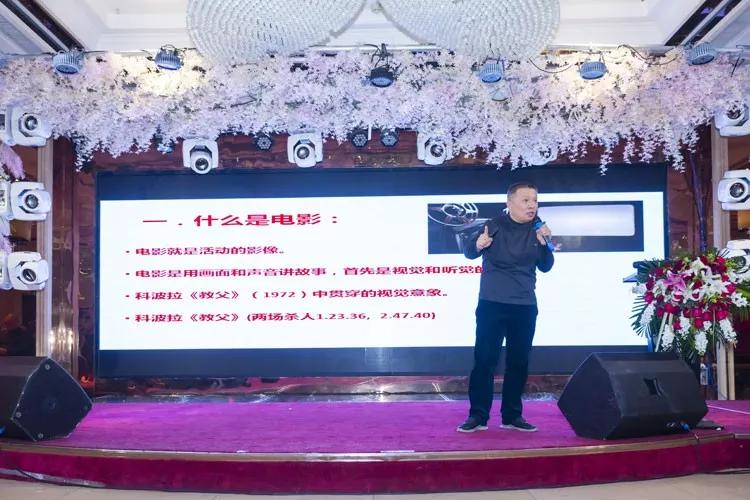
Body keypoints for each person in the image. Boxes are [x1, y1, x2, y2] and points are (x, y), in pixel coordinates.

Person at [457, 182, 554, 433]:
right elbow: (469, 252)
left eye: (535, 200)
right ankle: (478, 416)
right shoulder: (494, 225)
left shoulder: (539, 229)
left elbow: (546, 266)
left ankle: (512, 415)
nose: (532, 205)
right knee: (485, 360)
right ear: (509, 203)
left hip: (524, 304)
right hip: (492, 303)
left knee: (518, 362)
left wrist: (545, 243)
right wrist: (479, 244)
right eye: (525, 200)